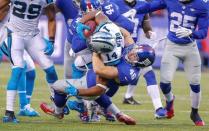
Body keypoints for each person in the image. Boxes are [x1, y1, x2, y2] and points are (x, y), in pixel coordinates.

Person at [76, 0, 167, 118]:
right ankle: (90, 102)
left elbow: (146, 27)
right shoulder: (113, 3)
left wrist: (150, 33)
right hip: (114, 46)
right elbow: (100, 18)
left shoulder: (142, 5)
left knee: (146, 73)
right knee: (106, 77)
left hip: (133, 49)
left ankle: (158, 108)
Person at [133, 0, 209, 126]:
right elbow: (150, 6)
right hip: (172, 46)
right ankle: (170, 99)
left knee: (195, 83)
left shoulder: (202, 4)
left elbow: (204, 32)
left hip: (190, 47)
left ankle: (194, 112)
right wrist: (136, 10)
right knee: (165, 82)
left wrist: (192, 33)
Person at [2, 0, 58, 123]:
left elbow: (52, 17)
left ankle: (57, 105)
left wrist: (52, 40)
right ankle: (9, 112)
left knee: (51, 69)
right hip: (15, 34)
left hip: (33, 36)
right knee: (18, 69)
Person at [0, 1, 39, 117]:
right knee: (21, 66)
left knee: (31, 72)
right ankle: (22, 105)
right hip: (5, 37)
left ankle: (25, 107)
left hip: (16, 36)